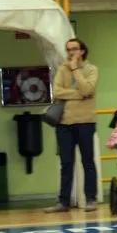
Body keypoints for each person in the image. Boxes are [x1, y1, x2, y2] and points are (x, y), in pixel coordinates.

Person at [46, 39, 100, 213]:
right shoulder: (62, 69)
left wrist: (76, 69)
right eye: (68, 50)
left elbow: (87, 90)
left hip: (85, 122)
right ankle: (63, 202)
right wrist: (79, 94)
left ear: (83, 51)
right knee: (66, 163)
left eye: (75, 49)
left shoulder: (92, 69)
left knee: (87, 162)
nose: (71, 53)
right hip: (64, 123)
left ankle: (90, 199)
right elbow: (57, 92)